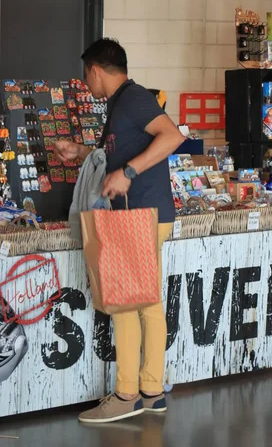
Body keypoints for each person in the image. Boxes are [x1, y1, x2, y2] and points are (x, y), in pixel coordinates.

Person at [55, 38, 184, 424]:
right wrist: (79, 152)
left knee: (128, 304)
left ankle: (128, 394)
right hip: (141, 216)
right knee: (146, 303)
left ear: (96, 70)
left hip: (140, 215)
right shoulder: (120, 108)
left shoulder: (133, 98)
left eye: (85, 76)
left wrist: (128, 173)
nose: (85, 84)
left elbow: (172, 136)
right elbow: (113, 155)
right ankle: (152, 390)